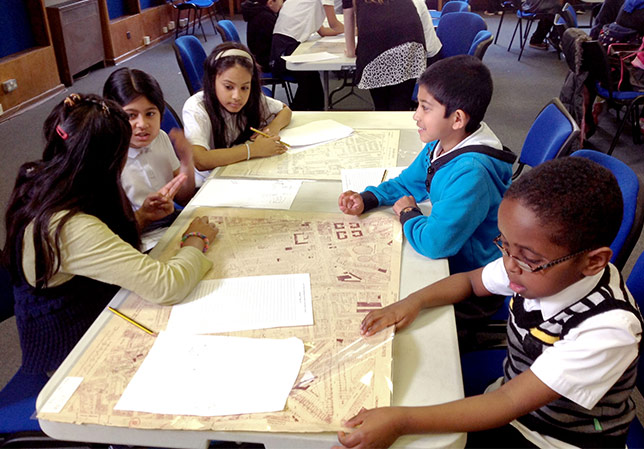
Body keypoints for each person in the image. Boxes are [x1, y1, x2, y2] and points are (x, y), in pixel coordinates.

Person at [334, 157, 642, 449]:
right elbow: (470, 282)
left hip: (554, 438)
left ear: (594, 262)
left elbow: (508, 403)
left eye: (527, 258)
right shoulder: (536, 269)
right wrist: (413, 302)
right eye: (504, 245)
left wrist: (403, 421)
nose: (509, 264)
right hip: (512, 397)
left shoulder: (608, 329)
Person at [2, 93, 218, 374]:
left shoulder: (46, 178)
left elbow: (87, 252)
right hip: (70, 356)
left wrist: (139, 218)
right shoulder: (68, 226)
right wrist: (195, 240)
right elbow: (167, 285)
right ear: (105, 163)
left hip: (96, 315)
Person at [338, 56, 516, 329]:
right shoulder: (444, 143)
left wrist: (409, 213)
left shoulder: (471, 171)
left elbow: (435, 244)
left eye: (425, 108)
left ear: (457, 118)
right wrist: (368, 198)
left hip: (470, 284)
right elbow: (408, 183)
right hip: (448, 266)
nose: (416, 115)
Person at [183, 42, 292, 186]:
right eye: (228, 87)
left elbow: (285, 110)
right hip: (208, 184)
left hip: (239, 171)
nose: (237, 96)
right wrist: (253, 149)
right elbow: (200, 160)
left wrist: (271, 129)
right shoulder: (196, 107)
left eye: (245, 87)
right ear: (212, 81)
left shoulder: (252, 98)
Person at [103, 67, 195, 229]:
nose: (143, 124)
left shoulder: (160, 137)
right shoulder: (106, 159)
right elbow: (107, 234)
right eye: (131, 115)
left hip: (169, 225)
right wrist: (144, 216)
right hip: (136, 238)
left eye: (150, 114)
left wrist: (187, 162)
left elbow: (183, 198)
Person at [342, 0, 442, 111]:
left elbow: (348, 14)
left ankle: (387, 125)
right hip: (410, 38)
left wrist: (351, 50)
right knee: (401, 103)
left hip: (377, 45)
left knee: (381, 106)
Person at [270, 0, 344, 110]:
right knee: (313, 90)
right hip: (287, 52)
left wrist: (351, 31)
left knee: (314, 89)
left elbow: (323, 31)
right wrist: (355, 30)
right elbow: (334, 24)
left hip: (279, 49)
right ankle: (292, 115)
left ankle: (300, 114)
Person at [241, 0, 284, 73]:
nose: (283, 4)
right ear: (270, 3)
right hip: (265, 62)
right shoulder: (266, 18)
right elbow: (279, 40)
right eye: (281, 1)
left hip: (260, 57)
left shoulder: (257, 12)